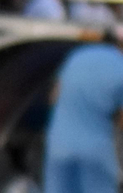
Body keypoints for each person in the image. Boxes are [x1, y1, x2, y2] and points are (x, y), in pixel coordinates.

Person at [43, 35, 123, 193]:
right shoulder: (119, 65)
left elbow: (53, 97)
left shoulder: (76, 56)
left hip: (59, 147)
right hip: (95, 151)